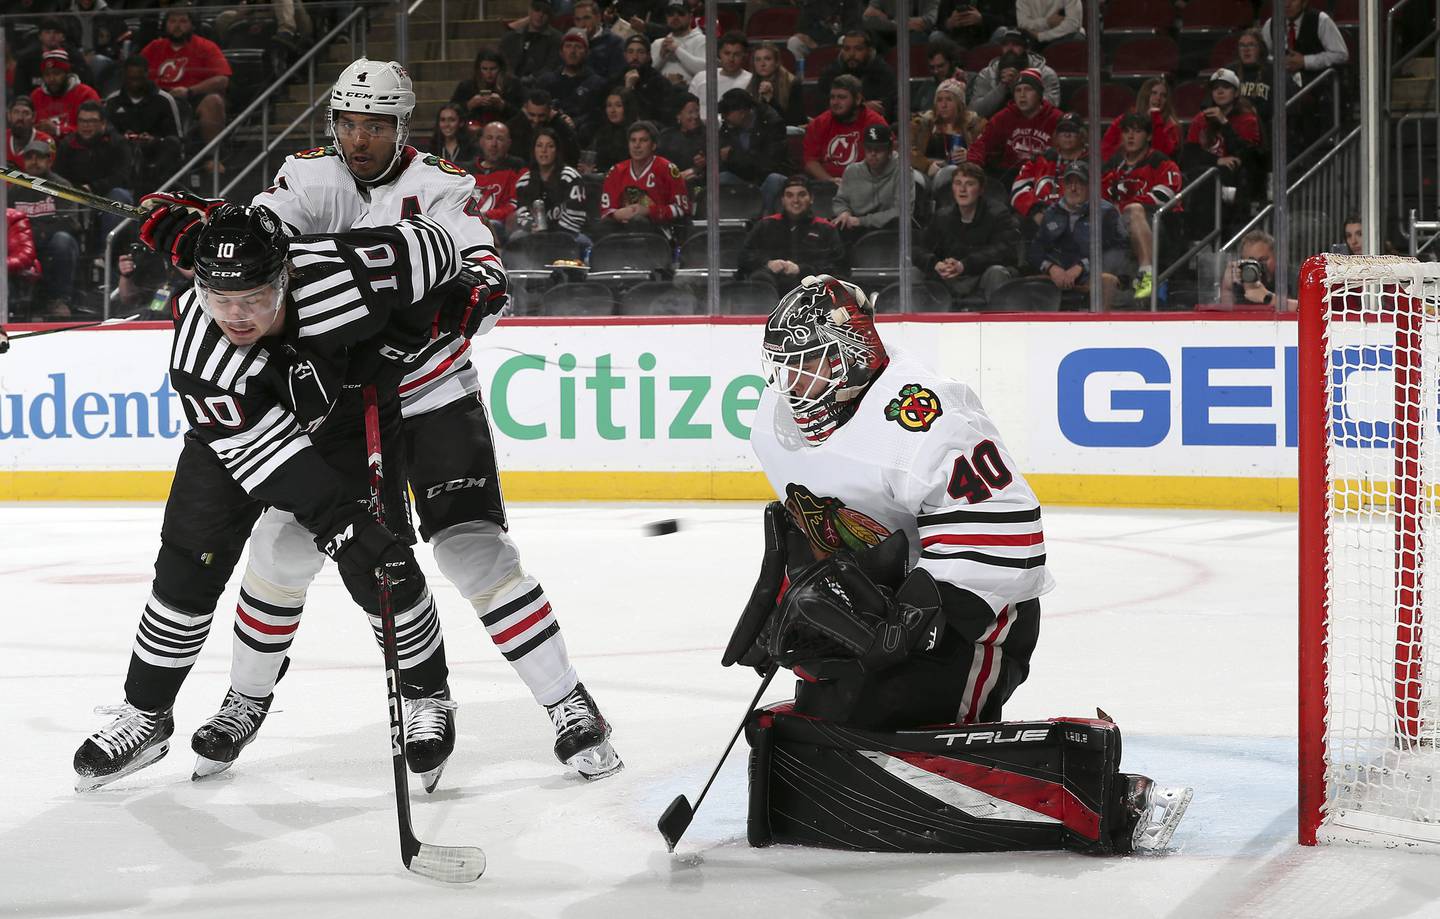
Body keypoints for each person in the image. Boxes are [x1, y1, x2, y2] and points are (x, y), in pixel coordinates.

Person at [229, 59, 622, 783]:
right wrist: (220, 236)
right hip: (343, 411)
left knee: (473, 552)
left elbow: (483, 273)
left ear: (401, 126)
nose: (359, 138)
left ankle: (569, 702)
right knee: (283, 545)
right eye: (347, 122)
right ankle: (252, 698)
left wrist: (470, 296)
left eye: (375, 124)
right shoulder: (308, 179)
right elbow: (260, 239)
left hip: (433, 397)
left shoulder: (438, 185)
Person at [738, 275, 1191, 854]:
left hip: (972, 616)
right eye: (783, 368)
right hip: (882, 606)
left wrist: (916, 619)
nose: (791, 386)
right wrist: (785, 598)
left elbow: (1009, 532)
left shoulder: (924, 419)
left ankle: (1106, 794)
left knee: (900, 724)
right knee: (841, 718)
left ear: (851, 353)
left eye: (807, 364)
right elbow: (817, 521)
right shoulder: (777, 423)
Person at [72, 200, 470, 792]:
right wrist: (342, 525)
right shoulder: (200, 362)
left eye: (253, 298)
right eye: (217, 299)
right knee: (187, 564)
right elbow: (275, 468)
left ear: (286, 276)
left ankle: (426, 694)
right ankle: (146, 713)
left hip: (345, 416)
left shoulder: (347, 271)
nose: (235, 315)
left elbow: (440, 247)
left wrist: (450, 302)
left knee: (383, 567)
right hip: (244, 436)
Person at [1101, 113, 1183, 300]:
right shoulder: (1113, 165)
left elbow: (1166, 195)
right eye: (1126, 132)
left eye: (1137, 132)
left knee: (1135, 209)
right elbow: (1101, 198)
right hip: (1119, 227)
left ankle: (1147, 273)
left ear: (1148, 136)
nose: (1130, 137)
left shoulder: (1160, 161)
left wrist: (1125, 204)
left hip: (1158, 225)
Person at [914, 162, 1019, 303]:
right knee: (914, 272)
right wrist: (935, 264)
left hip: (981, 274)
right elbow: (918, 249)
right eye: (958, 183)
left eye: (969, 184)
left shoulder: (998, 214)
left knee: (997, 272)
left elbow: (1005, 251)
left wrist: (964, 265)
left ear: (981, 189)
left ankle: (998, 320)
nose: (962, 189)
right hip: (950, 277)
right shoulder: (942, 216)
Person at [1029, 160, 1126, 308]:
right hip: (1056, 277)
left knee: (1107, 281)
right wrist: (1051, 268)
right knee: (1028, 284)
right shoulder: (1051, 212)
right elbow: (1036, 250)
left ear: (1090, 187)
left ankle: (1101, 327)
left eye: (1079, 183)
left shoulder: (1106, 212)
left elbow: (1116, 251)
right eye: (1069, 183)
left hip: (1090, 277)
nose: (1073, 188)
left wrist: (1083, 266)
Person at [1179, 68, 1262, 228]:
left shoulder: (1247, 119)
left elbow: (1248, 156)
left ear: (1236, 93)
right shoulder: (1200, 119)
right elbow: (1189, 156)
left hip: (1236, 180)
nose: (1220, 91)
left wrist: (1224, 123)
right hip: (1205, 177)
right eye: (1216, 88)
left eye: (1226, 87)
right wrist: (1217, 160)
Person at [10, 137, 83, 319]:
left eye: (39, 157)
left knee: (62, 240)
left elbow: (70, 221)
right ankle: (9, 300)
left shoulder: (62, 186)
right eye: (29, 157)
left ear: (49, 161)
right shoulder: (14, 190)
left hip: (53, 241)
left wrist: (40, 232)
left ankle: (59, 299)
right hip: (24, 242)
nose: (34, 162)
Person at [738, 175, 846, 293]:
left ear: (811, 198)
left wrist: (801, 269)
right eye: (789, 195)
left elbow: (838, 265)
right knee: (759, 278)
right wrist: (767, 263)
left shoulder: (826, 228)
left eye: (802, 195)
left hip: (812, 290)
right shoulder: (765, 225)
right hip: (771, 287)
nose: (795, 201)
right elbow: (744, 256)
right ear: (782, 200)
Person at [140, 7, 232, 144]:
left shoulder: (206, 46)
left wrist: (190, 91)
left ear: (192, 25)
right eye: (172, 21)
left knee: (213, 101)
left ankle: (212, 156)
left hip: (193, 97)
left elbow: (222, 79)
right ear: (165, 25)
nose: (177, 26)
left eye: (183, 21)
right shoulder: (154, 47)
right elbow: (134, 72)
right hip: (159, 98)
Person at [597, 119, 690, 243]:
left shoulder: (667, 169)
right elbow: (606, 209)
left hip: (659, 230)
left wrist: (649, 211)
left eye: (643, 140)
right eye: (633, 140)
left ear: (653, 145)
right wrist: (616, 214)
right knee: (603, 226)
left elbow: (681, 209)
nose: (637, 145)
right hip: (623, 228)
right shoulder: (616, 171)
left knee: (638, 221)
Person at [966, 69, 1062, 186]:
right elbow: (981, 145)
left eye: (1028, 89)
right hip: (1008, 177)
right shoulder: (1004, 116)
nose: (1022, 95)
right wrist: (973, 165)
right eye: (1018, 90)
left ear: (1039, 94)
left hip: (1044, 177)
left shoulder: (1056, 119)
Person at [105, 55, 184, 197]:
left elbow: (176, 137)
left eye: (139, 79)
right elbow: (107, 133)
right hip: (124, 153)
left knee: (172, 145)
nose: (134, 83)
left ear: (147, 75)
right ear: (124, 76)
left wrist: (154, 140)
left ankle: (157, 191)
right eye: (130, 79)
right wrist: (123, 138)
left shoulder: (164, 100)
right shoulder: (112, 101)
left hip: (155, 155)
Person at [56, 100, 134, 242]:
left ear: (103, 123)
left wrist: (92, 187)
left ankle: (105, 253)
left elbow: (122, 177)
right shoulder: (67, 145)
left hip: (108, 194)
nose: (86, 126)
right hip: (76, 194)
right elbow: (59, 175)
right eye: (82, 121)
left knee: (119, 196)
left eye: (92, 121)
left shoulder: (118, 143)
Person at [832, 124, 910, 246]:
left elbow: (902, 211)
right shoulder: (852, 171)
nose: (873, 153)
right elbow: (840, 201)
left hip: (889, 231)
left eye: (878, 149)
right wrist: (844, 212)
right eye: (869, 148)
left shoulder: (903, 171)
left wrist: (862, 221)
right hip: (854, 230)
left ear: (890, 150)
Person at [716, 88, 790, 217]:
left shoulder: (771, 122)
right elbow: (721, 160)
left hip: (765, 179)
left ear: (742, 111)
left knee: (775, 180)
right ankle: (732, 223)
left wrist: (734, 157)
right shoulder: (728, 127)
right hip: (743, 179)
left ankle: (762, 222)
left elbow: (769, 163)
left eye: (726, 113)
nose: (723, 117)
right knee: (721, 179)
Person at [803, 74, 888, 186]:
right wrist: (830, 181)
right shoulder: (820, 123)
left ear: (857, 99)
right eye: (832, 97)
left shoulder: (874, 123)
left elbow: (884, 158)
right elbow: (811, 162)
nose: (835, 102)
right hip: (828, 188)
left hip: (867, 186)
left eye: (842, 97)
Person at [910, 77, 985, 201]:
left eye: (949, 100)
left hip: (961, 178)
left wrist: (970, 155)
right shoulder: (921, 123)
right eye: (939, 100)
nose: (943, 105)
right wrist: (927, 166)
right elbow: (906, 149)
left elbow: (988, 149)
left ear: (960, 104)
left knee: (951, 172)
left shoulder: (975, 125)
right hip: (926, 174)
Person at [513, 127, 589, 243]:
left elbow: (576, 217)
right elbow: (522, 214)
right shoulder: (524, 181)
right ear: (534, 150)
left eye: (550, 146)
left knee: (581, 242)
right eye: (539, 146)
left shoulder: (570, 177)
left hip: (567, 233)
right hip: (535, 234)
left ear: (557, 151)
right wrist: (531, 226)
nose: (544, 150)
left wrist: (550, 235)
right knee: (515, 238)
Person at [967, 28, 1061, 119]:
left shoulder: (1045, 73)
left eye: (1016, 44)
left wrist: (1018, 84)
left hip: (1034, 125)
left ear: (1027, 49)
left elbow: (1052, 107)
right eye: (1005, 44)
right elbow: (975, 111)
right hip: (996, 125)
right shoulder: (987, 73)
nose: (1010, 49)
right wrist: (1002, 87)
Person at [1011, 111, 1085, 225]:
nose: (1067, 134)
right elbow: (1018, 190)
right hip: (1043, 220)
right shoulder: (1040, 160)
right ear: (1056, 135)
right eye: (1063, 130)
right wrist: (1035, 212)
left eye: (1072, 130)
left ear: (1082, 135)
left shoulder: (1095, 162)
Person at [539, 30, 609, 139]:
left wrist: (575, 122)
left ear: (587, 52)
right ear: (561, 52)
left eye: (578, 47)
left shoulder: (598, 84)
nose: (572, 51)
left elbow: (599, 115)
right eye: (568, 46)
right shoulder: (546, 81)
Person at [816, 30, 897, 121]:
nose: (851, 54)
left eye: (858, 49)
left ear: (869, 50)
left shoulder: (883, 72)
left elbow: (885, 107)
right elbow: (822, 107)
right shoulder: (830, 73)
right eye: (847, 49)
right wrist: (861, 108)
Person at [1099, 77, 1180, 163]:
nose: (1158, 98)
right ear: (1145, 95)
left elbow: (1161, 156)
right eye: (1154, 93)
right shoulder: (1124, 120)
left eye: (1163, 95)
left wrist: (1155, 118)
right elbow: (1105, 150)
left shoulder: (1171, 126)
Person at [31, 49, 101, 139]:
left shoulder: (86, 94)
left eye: (57, 73)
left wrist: (58, 130)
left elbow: (94, 130)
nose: (52, 79)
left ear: (67, 73)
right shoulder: (36, 96)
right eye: (47, 74)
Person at [472, 121, 526, 238]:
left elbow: (514, 206)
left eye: (500, 139)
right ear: (481, 142)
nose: (494, 144)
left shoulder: (517, 168)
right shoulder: (467, 171)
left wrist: (485, 216)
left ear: (508, 144)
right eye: (489, 138)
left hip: (498, 225)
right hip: (469, 222)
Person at [1219, 229, 1298, 310]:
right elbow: (1228, 317)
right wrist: (1227, 289)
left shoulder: (1294, 278)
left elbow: (1308, 309)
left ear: (1277, 257)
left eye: (1263, 260)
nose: (1258, 266)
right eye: (1251, 262)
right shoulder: (1241, 280)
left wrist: (1267, 298)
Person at [507, 88, 582, 169]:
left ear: (550, 111)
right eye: (532, 114)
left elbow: (573, 156)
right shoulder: (514, 126)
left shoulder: (561, 127)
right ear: (525, 108)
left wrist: (558, 121)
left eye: (541, 116)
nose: (536, 120)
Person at [451, 50, 520, 131]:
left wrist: (502, 105)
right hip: (474, 130)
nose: (489, 73)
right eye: (484, 69)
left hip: (506, 129)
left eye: (493, 69)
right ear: (478, 69)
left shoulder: (512, 84)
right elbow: (451, 111)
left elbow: (522, 114)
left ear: (500, 69)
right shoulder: (467, 86)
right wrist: (469, 105)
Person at [688, 30, 751, 119]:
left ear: (744, 56)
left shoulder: (751, 81)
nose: (731, 59)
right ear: (719, 54)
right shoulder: (700, 77)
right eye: (727, 53)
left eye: (736, 54)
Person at [615, 34, 676, 123]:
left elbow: (660, 115)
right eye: (630, 52)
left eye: (640, 52)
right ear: (625, 55)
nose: (635, 57)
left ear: (648, 55)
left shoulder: (659, 82)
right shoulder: (616, 79)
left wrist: (630, 90)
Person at [501, 0, 563, 85]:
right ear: (530, 11)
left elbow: (551, 67)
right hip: (513, 86)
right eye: (537, 10)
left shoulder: (557, 39)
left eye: (545, 12)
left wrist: (531, 79)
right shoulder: (511, 38)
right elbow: (504, 64)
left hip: (542, 87)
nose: (540, 15)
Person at [747, 41, 805, 128]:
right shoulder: (750, 84)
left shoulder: (792, 83)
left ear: (777, 62)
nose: (762, 64)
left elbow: (794, 121)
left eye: (767, 59)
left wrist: (770, 100)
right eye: (758, 60)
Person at [650, 0, 705, 85]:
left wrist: (677, 50)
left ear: (690, 17)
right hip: (662, 93)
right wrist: (661, 57)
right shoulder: (658, 43)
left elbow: (705, 70)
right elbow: (648, 73)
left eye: (681, 13)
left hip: (691, 94)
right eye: (671, 14)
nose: (675, 17)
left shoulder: (702, 40)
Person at [571, 0, 625, 82]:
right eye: (578, 19)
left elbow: (615, 78)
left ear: (598, 18)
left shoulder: (615, 43)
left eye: (587, 18)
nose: (582, 24)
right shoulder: (570, 41)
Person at [657, 93, 705, 186]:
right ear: (678, 115)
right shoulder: (666, 136)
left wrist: (703, 164)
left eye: (697, 111)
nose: (695, 116)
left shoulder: (707, 135)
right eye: (690, 112)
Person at [587, 89, 638, 174]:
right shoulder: (602, 132)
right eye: (609, 105)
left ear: (627, 108)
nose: (612, 110)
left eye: (618, 105)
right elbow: (590, 156)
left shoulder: (637, 133)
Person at [1230, 29, 1275, 125]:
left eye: (1251, 45)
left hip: (1267, 128)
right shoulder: (1230, 72)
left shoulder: (1273, 71)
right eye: (1242, 45)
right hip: (1234, 127)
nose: (1246, 49)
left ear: (1260, 48)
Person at [860, 0, 938, 53]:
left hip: (915, 35)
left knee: (918, 36)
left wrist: (888, 18)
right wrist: (896, 24)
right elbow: (868, 18)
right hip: (888, 34)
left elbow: (928, 21)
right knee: (868, 34)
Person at [6, 97, 55, 170]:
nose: (20, 118)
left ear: (34, 117)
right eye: (16, 112)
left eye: (26, 113)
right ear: (9, 116)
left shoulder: (48, 142)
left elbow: (47, 175)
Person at [1016, 0, 1082, 46]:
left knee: (1076, 38)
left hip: (1065, 38)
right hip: (1034, 41)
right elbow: (1023, 25)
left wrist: (1040, 36)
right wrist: (1047, 23)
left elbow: (1072, 25)